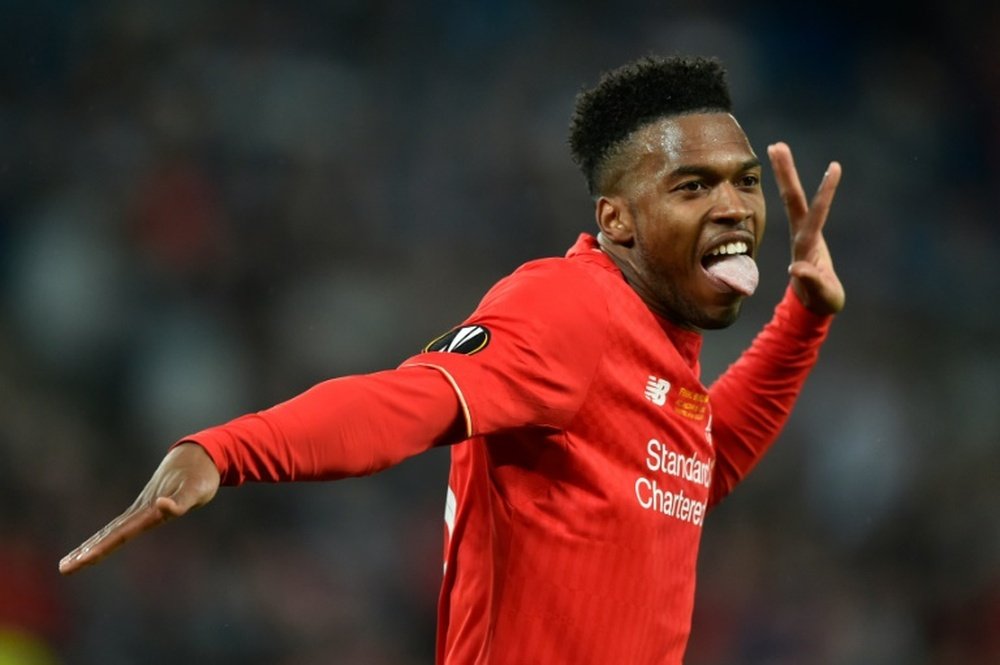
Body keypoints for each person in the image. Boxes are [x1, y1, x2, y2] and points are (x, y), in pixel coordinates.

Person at [60, 55, 844, 664]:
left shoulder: (660, 344)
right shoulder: (571, 307)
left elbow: (695, 464)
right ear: (618, 220)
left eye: (744, 183)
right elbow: (410, 401)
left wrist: (802, 315)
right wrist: (226, 450)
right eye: (693, 186)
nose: (734, 207)